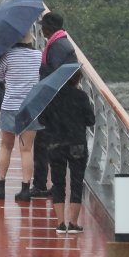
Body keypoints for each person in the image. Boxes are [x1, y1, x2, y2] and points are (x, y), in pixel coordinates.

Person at [38, 70, 95, 233]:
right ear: (77, 80)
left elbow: (42, 120)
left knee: (58, 183)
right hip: (77, 144)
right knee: (76, 183)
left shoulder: (51, 96)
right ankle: (74, 223)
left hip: (55, 145)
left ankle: (61, 224)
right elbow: (91, 120)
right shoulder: (81, 96)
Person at [31, 11, 79, 197]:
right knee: (52, 145)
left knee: (45, 144)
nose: (41, 29)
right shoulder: (60, 43)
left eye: (43, 26)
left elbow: (55, 76)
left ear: (49, 28)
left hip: (55, 103)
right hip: (58, 102)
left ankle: (42, 185)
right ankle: (52, 185)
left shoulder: (58, 46)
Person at [0, 33, 43, 202]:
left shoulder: (8, 56)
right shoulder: (38, 56)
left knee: (5, 147)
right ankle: (25, 189)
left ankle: (0, 187)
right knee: (27, 149)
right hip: (30, 108)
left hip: (9, 107)